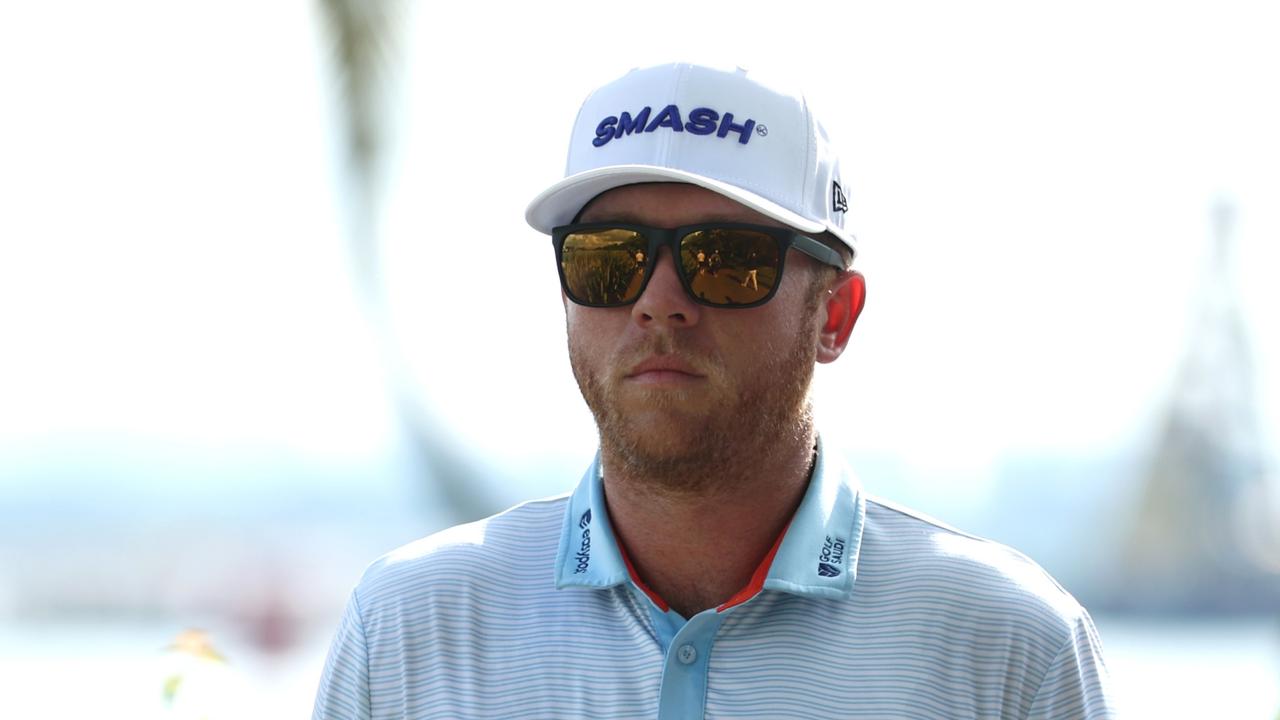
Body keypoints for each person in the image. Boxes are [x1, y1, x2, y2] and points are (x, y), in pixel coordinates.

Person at [313, 63, 1114, 719]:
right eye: (608, 258)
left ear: (834, 314)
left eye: (727, 257)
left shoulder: (1012, 646)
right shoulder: (406, 631)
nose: (659, 299)